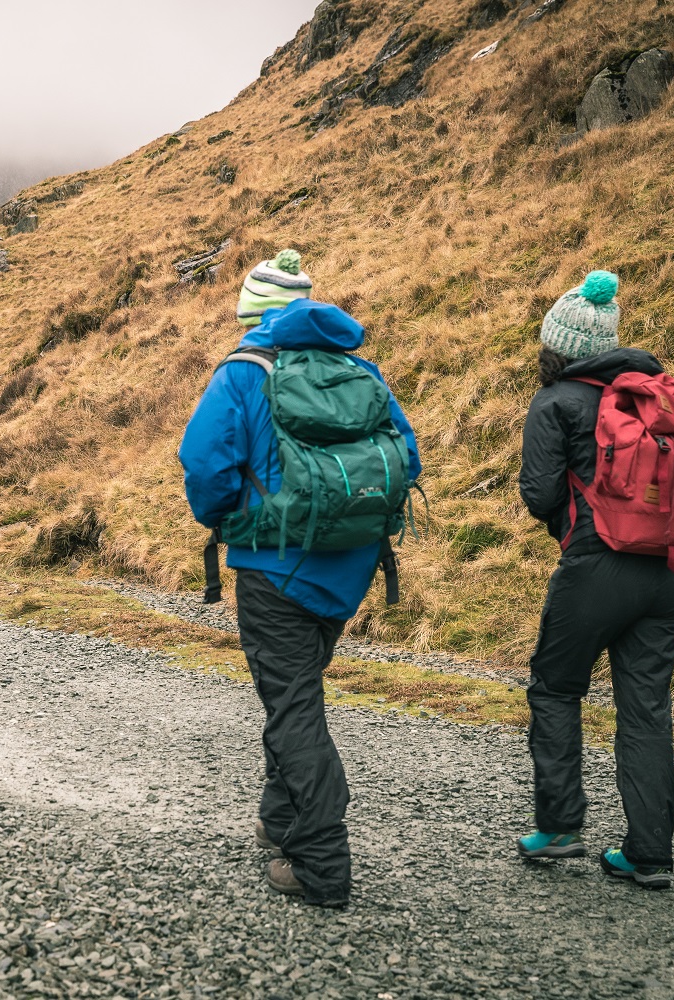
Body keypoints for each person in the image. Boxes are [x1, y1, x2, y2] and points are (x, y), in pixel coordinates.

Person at [178, 250, 420, 908]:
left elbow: (204, 467)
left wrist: (228, 518)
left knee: (292, 708)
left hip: (274, 566)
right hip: (351, 566)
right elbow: (409, 454)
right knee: (297, 691)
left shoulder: (243, 373)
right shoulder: (356, 368)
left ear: (255, 315)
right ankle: (279, 819)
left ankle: (321, 863)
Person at [515, 270, 674, 889]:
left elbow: (538, 491)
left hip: (596, 566)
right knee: (645, 710)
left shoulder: (555, 400)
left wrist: (574, 530)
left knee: (557, 688)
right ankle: (648, 855)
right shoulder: (651, 396)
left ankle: (560, 827)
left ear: (555, 343)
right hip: (669, 571)